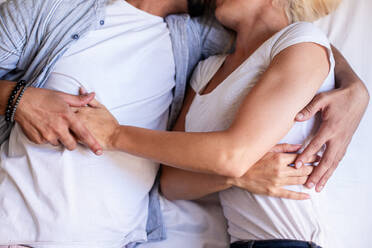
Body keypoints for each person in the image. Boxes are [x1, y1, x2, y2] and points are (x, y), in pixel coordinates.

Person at [0, 0, 368, 247]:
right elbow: (174, 182)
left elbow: (292, 35)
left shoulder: (197, 38)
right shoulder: (50, 9)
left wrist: (355, 87)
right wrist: (17, 99)